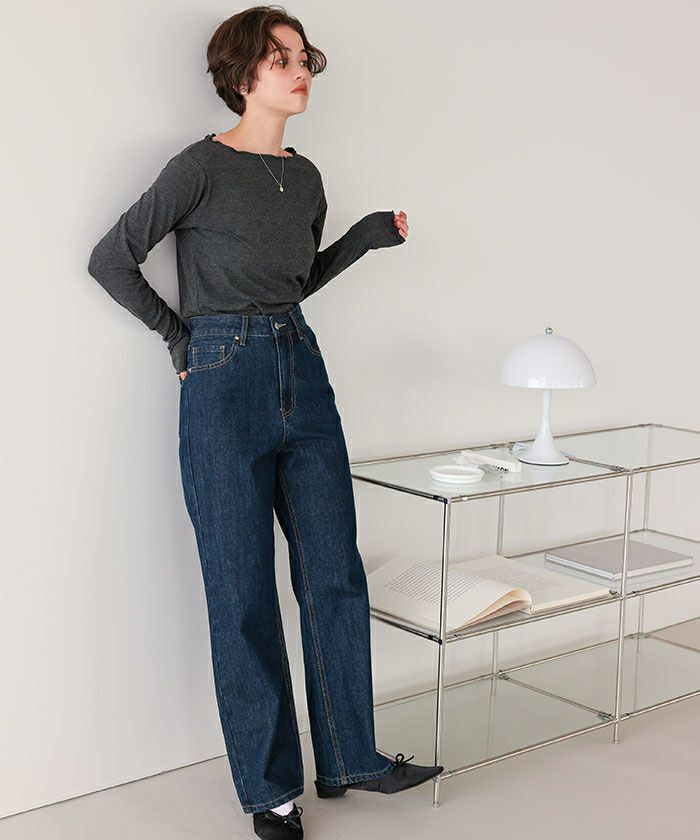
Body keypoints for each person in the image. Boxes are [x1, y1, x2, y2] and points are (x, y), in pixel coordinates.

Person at [87, 5, 442, 838]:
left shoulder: (307, 178)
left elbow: (294, 281)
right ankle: (271, 792)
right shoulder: (198, 167)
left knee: (333, 572)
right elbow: (111, 258)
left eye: (303, 55)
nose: (299, 68)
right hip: (222, 380)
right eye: (280, 57)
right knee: (241, 589)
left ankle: (351, 758)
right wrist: (181, 339)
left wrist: (359, 241)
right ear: (242, 75)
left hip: (301, 366)